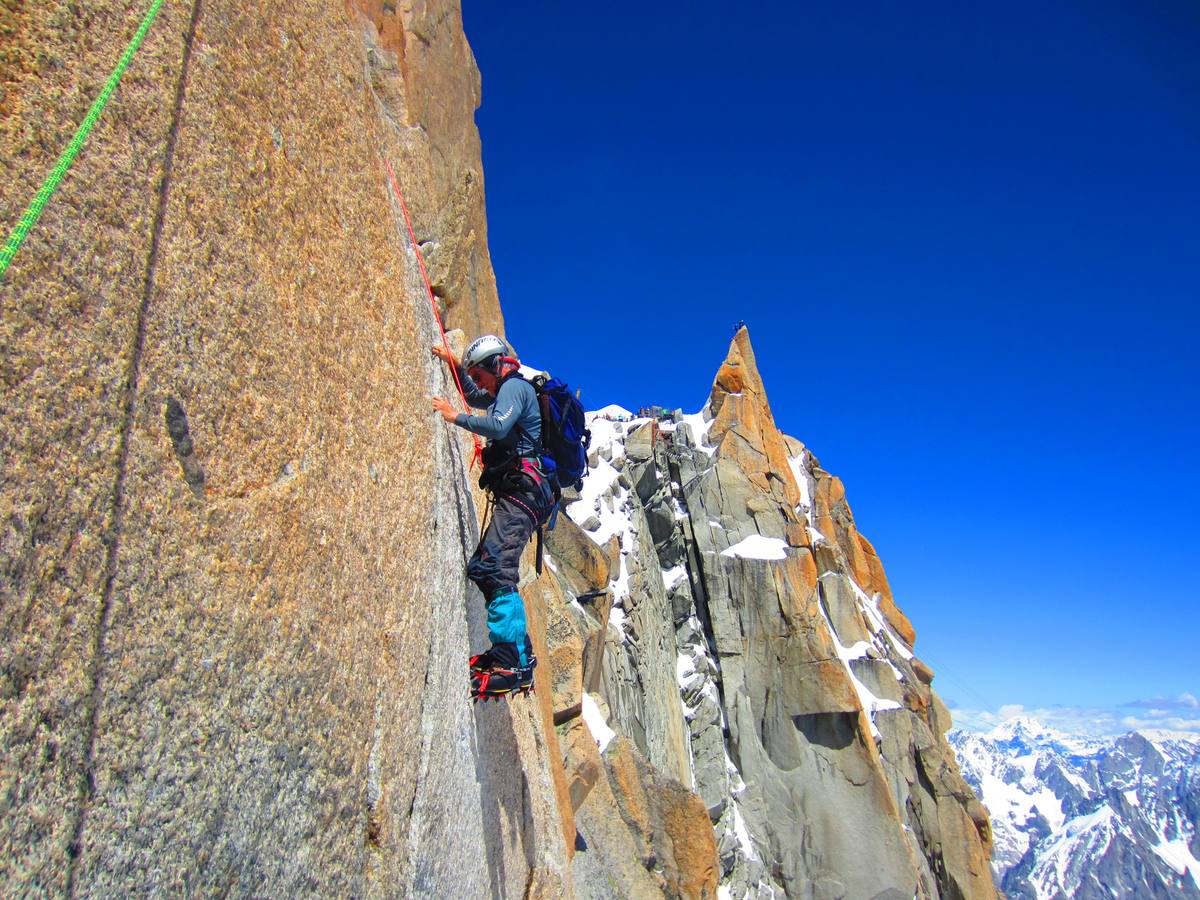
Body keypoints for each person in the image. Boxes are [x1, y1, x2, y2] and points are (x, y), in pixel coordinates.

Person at [431, 334, 555, 700]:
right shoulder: (503, 390)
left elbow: (498, 426)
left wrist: (456, 418)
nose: (480, 382)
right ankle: (517, 656)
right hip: (522, 493)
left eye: (480, 374)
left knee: (496, 567)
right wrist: (454, 361)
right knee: (487, 567)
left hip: (524, 492)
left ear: (495, 365)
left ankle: (511, 660)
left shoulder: (515, 389)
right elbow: (475, 395)